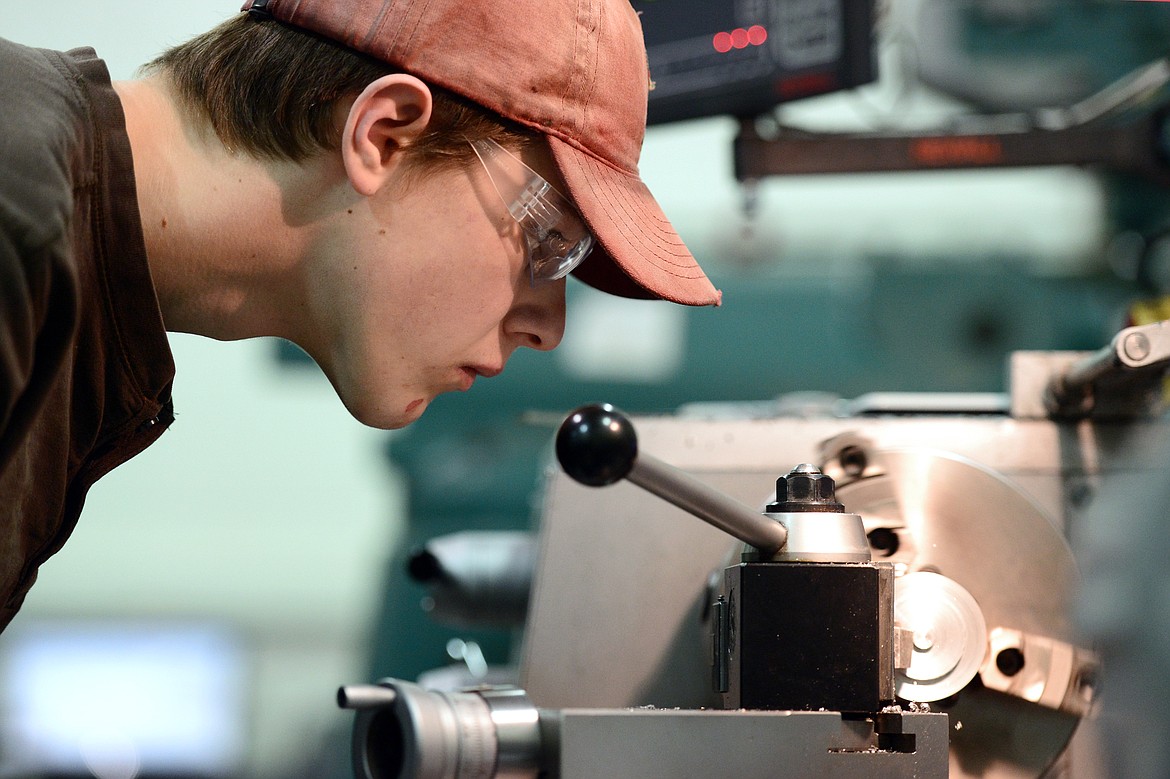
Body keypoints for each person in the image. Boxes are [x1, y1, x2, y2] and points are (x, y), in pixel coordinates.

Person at [0, 0, 721, 632]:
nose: (549, 327)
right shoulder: (17, 208)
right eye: (549, 239)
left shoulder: (66, 283)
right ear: (384, 133)